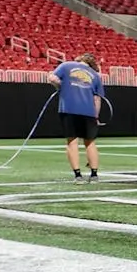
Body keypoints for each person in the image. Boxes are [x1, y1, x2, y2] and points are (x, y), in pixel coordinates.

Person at [47, 52, 104, 183]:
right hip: (88, 111)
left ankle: (78, 175)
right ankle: (94, 175)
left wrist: (59, 85)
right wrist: (96, 116)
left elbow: (53, 79)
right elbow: (97, 99)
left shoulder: (66, 65)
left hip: (69, 108)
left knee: (72, 141)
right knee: (90, 142)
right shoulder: (95, 75)